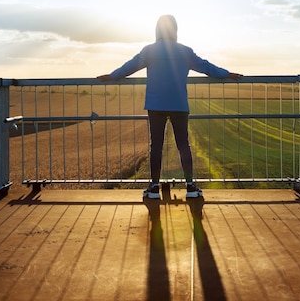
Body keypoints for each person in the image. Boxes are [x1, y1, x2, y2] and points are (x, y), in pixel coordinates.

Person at [98, 15, 242, 199]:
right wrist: (227, 74)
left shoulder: (149, 51)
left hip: (156, 104)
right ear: (175, 30)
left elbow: (130, 67)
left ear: (157, 30)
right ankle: (190, 187)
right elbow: (206, 67)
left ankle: (154, 188)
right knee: (183, 144)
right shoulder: (185, 51)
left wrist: (112, 76)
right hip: (178, 104)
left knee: (155, 146)